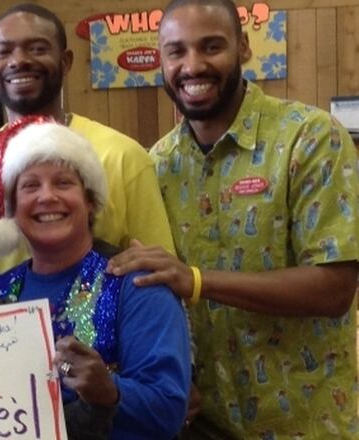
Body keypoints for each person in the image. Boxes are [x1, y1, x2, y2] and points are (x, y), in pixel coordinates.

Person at [107, 0, 359, 438]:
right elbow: (154, 293)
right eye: (176, 51)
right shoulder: (157, 164)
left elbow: (333, 288)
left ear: (243, 47)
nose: (193, 65)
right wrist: (170, 379)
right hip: (202, 424)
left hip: (307, 422)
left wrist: (198, 280)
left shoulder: (311, 137)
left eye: (211, 47)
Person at [0, 119, 191, 439]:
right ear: (11, 207)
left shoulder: (137, 285)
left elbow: (168, 411)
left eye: (63, 183)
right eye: (30, 186)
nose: (47, 197)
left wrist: (110, 391)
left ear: (90, 201)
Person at [0, 3, 175, 289]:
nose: (19, 60)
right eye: (5, 51)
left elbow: (159, 274)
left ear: (66, 61)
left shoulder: (123, 156)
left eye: (37, 49)